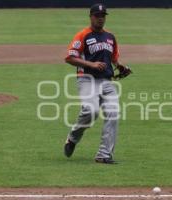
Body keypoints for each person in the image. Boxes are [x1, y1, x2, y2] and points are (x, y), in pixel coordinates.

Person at [63, 3, 130, 164]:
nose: (100, 19)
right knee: (91, 110)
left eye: (103, 16)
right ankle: (73, 138)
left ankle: (104, 155)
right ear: (91, 17)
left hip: (106, 81)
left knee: (113, 114)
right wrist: (91, 64)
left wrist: (120, 67)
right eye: (97, 16)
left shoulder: (110, 37)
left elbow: (113, 58)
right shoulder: (82, 35)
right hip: (87, 79)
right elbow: (70, 57)